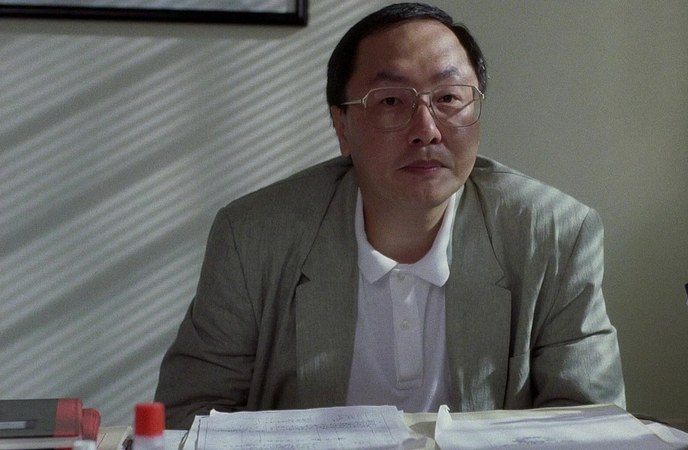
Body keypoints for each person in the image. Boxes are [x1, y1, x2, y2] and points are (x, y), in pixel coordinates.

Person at [154, 2, 626, 430]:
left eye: (449, 98)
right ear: (342, 126)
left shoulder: (555, 234)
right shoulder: (253, 236)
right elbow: (187, 418)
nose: (427, 130)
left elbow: (591, 424)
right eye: (391, 101)